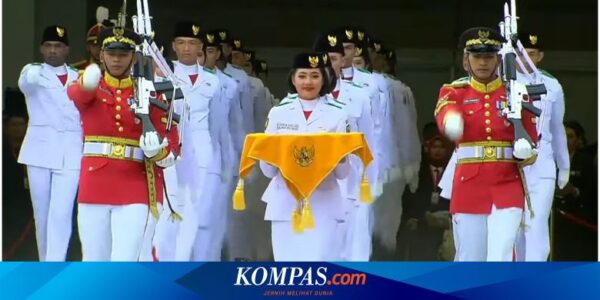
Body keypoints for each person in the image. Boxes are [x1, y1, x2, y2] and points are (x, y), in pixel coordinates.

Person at [67, 26, 180, 261]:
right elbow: (78, 95)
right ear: (101, 55)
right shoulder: (92, 87)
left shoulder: (150, 93)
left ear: (134, 57)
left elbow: (172, 144)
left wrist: (157, 150)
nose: (116, 59)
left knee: (125, 259)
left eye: (123, 54)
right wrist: (87, 81)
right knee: (94, 260)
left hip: (134, 184)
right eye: (111, 53)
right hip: (95, 184)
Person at [435, 27, 538, 261]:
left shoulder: (516, 92)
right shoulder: (454, 91)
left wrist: (526, 150)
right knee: (470, 256)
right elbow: (445, 112)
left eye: (489, 56)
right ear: (466, 60)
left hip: (506, 183)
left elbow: (532, 138)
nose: (483, 62)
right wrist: (451, 121)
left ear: (498, 59)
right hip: (469, 184)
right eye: (477, 56)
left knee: (501, 255)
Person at [260, 52, 350, 261]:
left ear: (324, 78)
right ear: (293, 78)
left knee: (320, 266)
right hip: (284, 201)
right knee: (287, 268)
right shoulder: (278, 112)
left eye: (314, 76)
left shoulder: (338, 113)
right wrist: (272, 154)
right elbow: (268, 171)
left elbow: (343, 173)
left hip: (324, 200)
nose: (308, 82)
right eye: (302, 76)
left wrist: (340, 155)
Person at [18, 25, 82, 261]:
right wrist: (36, 74)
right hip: (39, 151)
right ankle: (45, 263)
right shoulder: (32, 71)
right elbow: (27, 83)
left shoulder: (79, 76)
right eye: (48, 46)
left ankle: (55, 264)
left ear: (67, 50)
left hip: (71, 151)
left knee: (62, 213)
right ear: (41, 49)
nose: (52, 50)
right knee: (42, 214)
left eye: (58, 46)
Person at [314, 32, 375, 261]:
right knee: (320, 251)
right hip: (315, 185)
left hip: (352, 185)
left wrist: (369, 185)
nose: (330, 63)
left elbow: (369, 144)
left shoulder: (360, 97)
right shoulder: (301, 99)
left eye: (335, 57)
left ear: (343, 60)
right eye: (325, 58)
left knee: (354, 252)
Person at [167, 22, 225, 262]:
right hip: (170, 150)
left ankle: (184, 261)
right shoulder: (163, 73)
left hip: (201, 151)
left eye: (192, 43)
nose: (186, 48)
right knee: (170, 208)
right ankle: (168, 261)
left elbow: (218, 123)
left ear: (201, 47)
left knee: (194, 211)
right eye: (181, 42)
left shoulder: (213, 81)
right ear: (173, 46)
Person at [513, 31, 571, 261]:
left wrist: (564, 165)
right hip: (512, 162)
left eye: (531, 54)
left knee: (536, 225)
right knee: (513, 226)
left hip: (543, 160)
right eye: (521, 54)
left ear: (540, 56)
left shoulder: (552, 84)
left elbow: (557, 128)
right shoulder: (504, 81)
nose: (525, 59)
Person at [397, 134, 451, 260]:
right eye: (434, 147)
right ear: (428, 149)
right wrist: (414, 217)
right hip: (420, 225)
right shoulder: (418, 172)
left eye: (441, 147)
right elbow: (409, 197)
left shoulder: (452, 171)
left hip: (444, 226)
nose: (437, 150)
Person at [553, 121, 597, 260]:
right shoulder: (550, 159)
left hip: (577, 219)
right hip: (555, 219)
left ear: (578, 140)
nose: (565, 140)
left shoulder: (586, 161)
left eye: (570, 136)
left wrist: (574, 191)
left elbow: (592, 192)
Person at [72, 6, 113, 71]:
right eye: (94, 45)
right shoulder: (76, 70)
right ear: (87, 46)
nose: (99, 49)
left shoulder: (116, 70)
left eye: (102, 45)